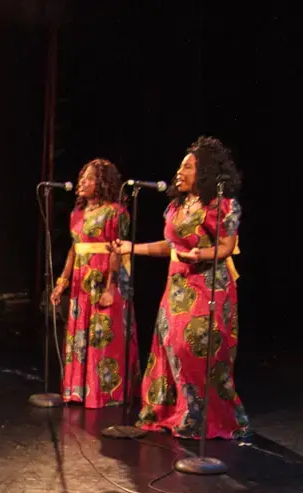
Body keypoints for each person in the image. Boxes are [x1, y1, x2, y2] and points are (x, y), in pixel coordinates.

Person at [114, 136, 250, 438]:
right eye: (180, 166)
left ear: (205, 172)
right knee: (170, 346)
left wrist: (200, 254)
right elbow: (169, 246)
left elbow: (227, 246)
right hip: (177, 285)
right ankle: (177, 412)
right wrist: (130, 247)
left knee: (197, 348)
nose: (180, 171)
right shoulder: (177, 207)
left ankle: (209, 417)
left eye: (188, 166)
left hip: (209, 285)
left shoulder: (221, 204)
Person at [51, 158, 138, 408]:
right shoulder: (76, 213)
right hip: (81, 281)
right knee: (80, 335)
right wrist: (62, 281)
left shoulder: (116, 212)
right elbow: (73, 249)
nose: (82, 182)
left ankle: (104, 393)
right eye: (82, 177)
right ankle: (78, 389)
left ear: (102, 183)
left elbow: (118, 251)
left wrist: (111, 288)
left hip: (104, 278)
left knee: (102, 335)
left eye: (89, 178)